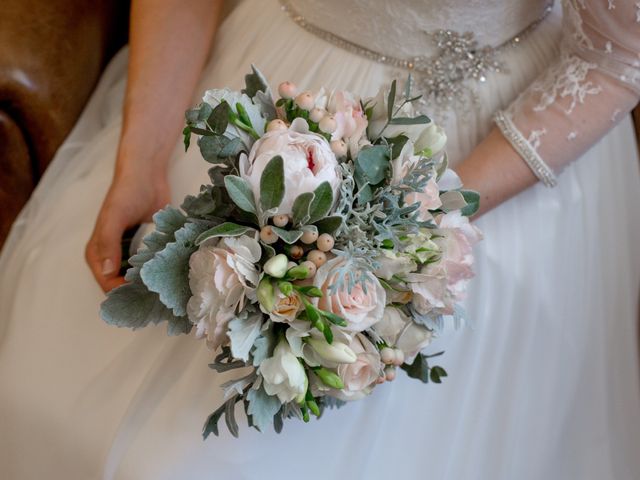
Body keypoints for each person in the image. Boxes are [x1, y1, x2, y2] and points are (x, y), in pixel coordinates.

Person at [1, 0, 639, 478]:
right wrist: (141, 159)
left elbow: (615, 54)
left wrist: (416, 221)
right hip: (270, 86)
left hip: (488, 145)